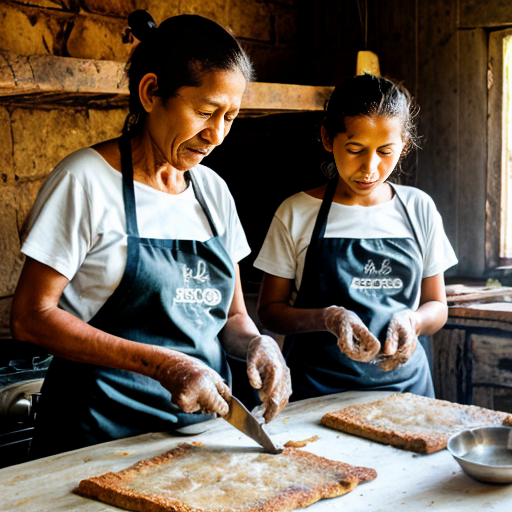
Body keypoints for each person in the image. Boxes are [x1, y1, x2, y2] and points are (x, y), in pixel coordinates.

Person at [10, 10, 291, 459]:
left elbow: (233, 318)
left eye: (230, 117)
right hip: (97, 437)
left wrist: (259, 343)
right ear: (150, 92)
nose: (217, 135)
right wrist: (164, 365)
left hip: (199, 440)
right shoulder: (86, 180)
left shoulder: (214, 192)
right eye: (204, 112)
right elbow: (30, 316)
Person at [254, 74, 457, 401]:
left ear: (403, 145)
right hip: (318, 391)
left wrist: (414, 320)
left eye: (385, 151)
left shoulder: (420, 209)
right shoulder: (296, 212)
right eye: (355, 149)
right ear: (326, 137)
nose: (369, 168)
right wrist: (326, 318)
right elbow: (270, 311)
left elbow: (437, 305)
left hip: (406, 391)